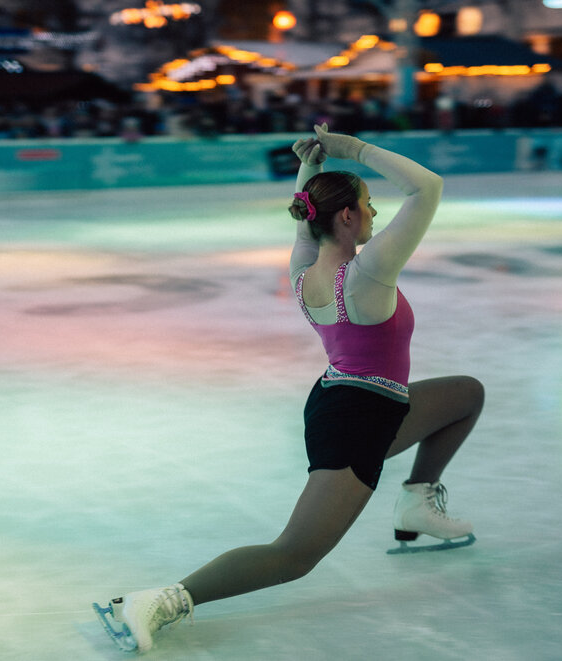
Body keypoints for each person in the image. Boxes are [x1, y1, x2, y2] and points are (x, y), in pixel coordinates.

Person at [94, 124, 484, 653]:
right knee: (295, 555)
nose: (375, 214)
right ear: (347, 217)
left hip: (353, 399)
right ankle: (158, 601)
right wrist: (353, 150)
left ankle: (416, 503)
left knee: (464, 394)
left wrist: (313, 165)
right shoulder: (368, 274)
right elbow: (426, 188)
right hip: (357, 418)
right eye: (369, 205)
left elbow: (306, 216)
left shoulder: (305, 268)